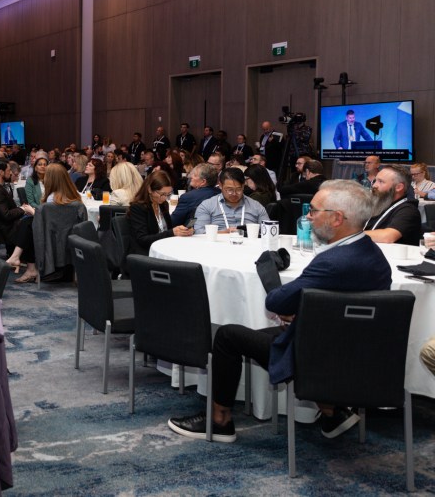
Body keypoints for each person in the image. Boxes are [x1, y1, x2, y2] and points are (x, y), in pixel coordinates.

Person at [167, 180, 391, 442]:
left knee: (227, 337)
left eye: (313, 210)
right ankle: (332, 410)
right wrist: (306, 311)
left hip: (318, 354)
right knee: (269, 333)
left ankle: (220, 420)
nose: (308, 217)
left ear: (337, 218)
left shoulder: (332, 262)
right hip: (358, 351)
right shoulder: (373, 254)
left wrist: (295, 306)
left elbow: (277, 303)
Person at [127, 170, 193, 255]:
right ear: (150, 189)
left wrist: (182, 231)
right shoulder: (138, 207)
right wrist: (172, 232)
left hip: (164, 249)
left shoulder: (163, 205)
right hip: (146, 253)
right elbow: (142, 239)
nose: (165, 198)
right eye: (162, 194)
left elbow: (168, 229)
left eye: (168, 194)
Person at [193, 168, 268, 234]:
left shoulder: (256, 206)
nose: (234, 194)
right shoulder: (207, 205)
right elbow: (199, 231)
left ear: (243, 186)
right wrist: (223, 233)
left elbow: (267, 231)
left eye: (238, 189)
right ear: (220, 185)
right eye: (230, 190)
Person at [363, 164, 422, 246]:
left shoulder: (408, 210)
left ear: (398, 187)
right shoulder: (381, 204)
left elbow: (388, 236)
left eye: (381, 182)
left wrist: (352, 235)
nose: (374, 185)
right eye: (375, 181)